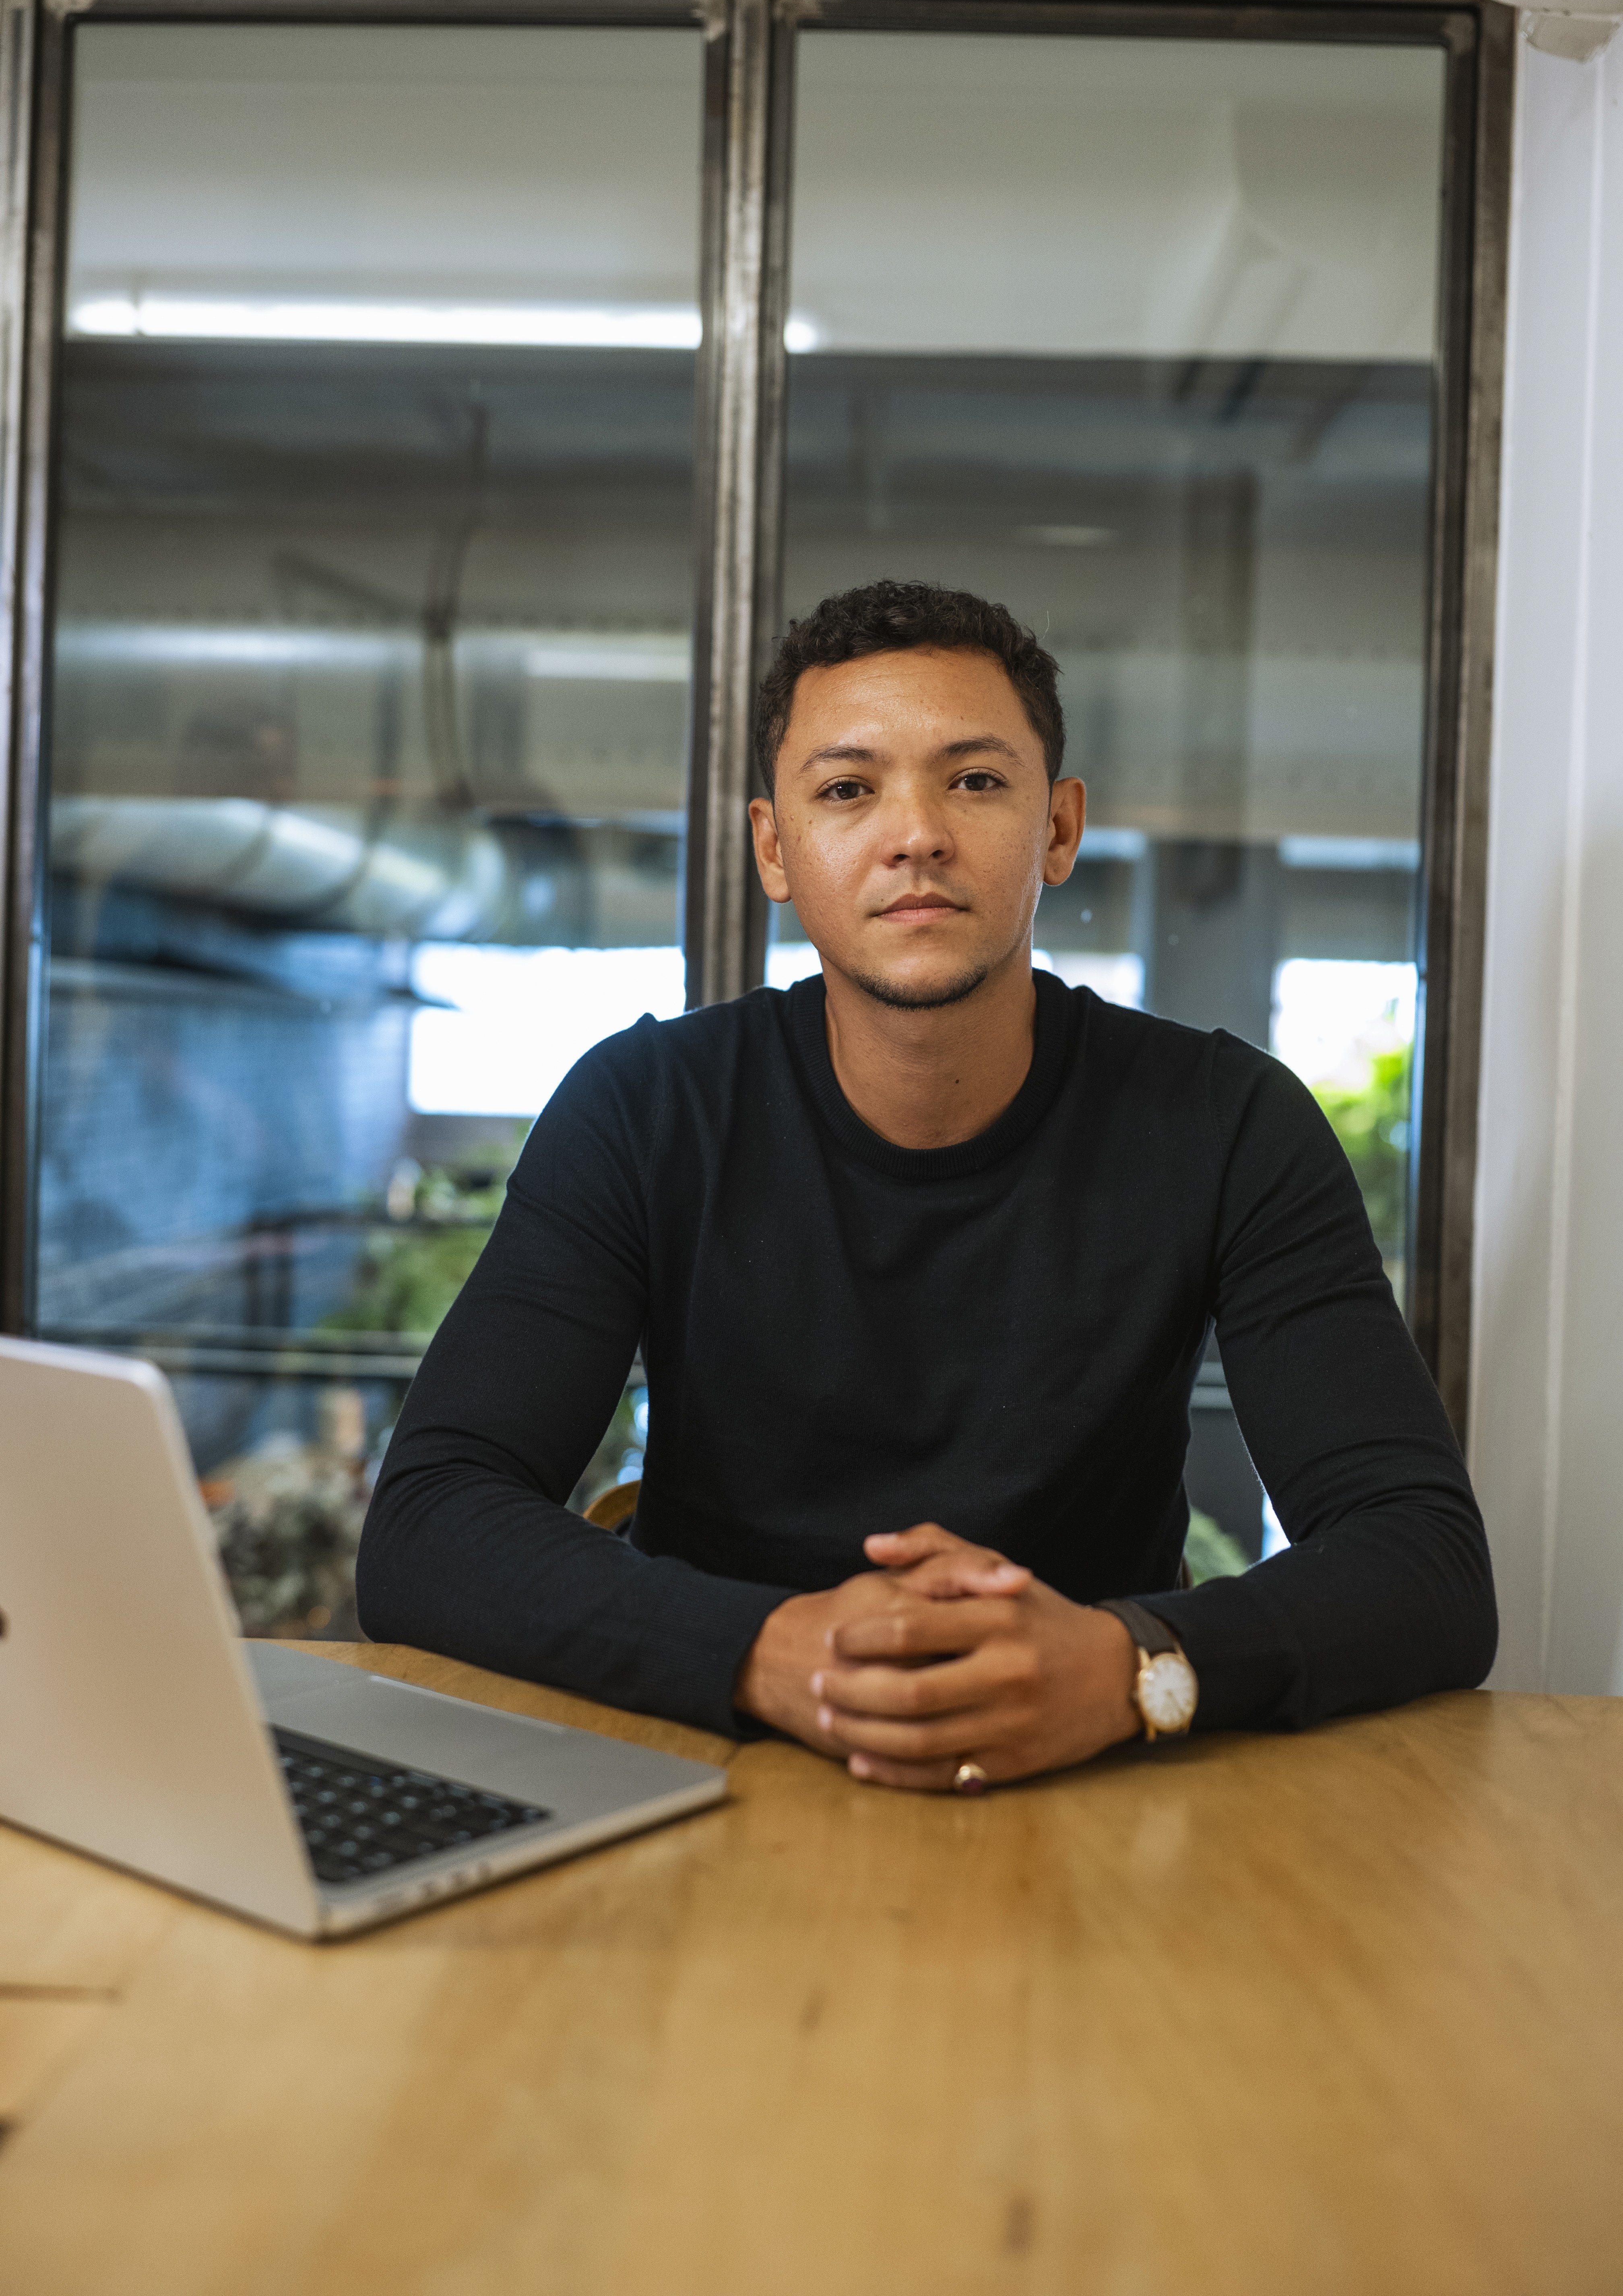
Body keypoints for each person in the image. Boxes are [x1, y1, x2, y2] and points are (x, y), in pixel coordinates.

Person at [357, 580, 1496, 1793]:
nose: (917, 836)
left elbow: (1425, 1561)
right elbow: (429, 1519)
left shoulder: (1227, 1123)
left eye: (975, 780)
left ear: (1058, 830)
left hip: (1092, 1781)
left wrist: (1128, 1665)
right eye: (849, 789)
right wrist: (764, 1650)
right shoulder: (647, 1107)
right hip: (714, 1766)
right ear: (775, 847)